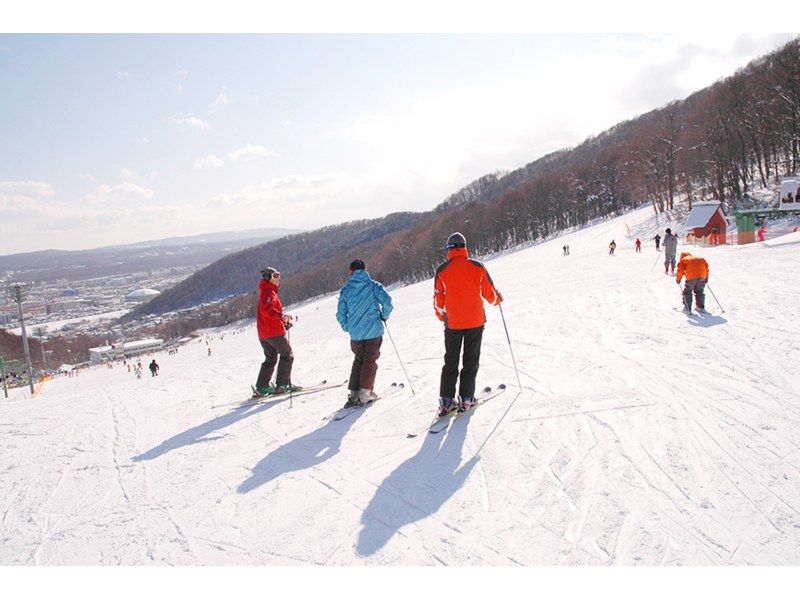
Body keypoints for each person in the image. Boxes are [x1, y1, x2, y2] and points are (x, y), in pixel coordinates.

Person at [433, 232, 502, 416]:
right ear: (464, 248)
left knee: (451, 361)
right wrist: (497, 300)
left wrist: (443, 317)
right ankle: (466, 398)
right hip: (475, 321)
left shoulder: (442, 270)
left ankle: (447, 401)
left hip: (453, 323)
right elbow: (489, 292)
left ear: (448, 249)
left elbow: (438, 299)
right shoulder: (477, 267)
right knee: (471, 360)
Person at [336, 259, 394, 407]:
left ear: (351, 272)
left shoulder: (346, 290)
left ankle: (354, 393)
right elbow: (387, 303)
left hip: (356, 335)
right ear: (365, 270)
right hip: (374, 331)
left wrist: (348, 327)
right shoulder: (374, 286)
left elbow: (340, 314)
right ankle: (365, 393)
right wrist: (383, 316)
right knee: (369, 360)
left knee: (358, 359)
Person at [253, 267, 300, 397]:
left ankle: (262, 386)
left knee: (271, 358)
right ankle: (283, 384)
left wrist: (283, 322)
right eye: (275, 276)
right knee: (287, 354)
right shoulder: (268, 293)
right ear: (268, 278)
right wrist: (281, 316)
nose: (278, 278)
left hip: (264, 334)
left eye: (279, 275)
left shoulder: (266, 291)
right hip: (273, 333)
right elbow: (267, 311)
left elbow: (267, 314)